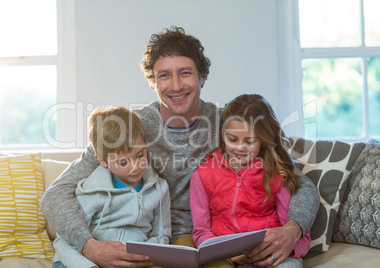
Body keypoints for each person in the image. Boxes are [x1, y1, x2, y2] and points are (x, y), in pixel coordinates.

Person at [40, 26, 319, 268]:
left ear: (202, 78)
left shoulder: (231, 125)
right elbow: (55, 195)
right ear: (153, 82)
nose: (175, 85)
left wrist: (293, 229)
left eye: (185, 73)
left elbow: (299, 183)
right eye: (164, 76)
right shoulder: (129, 129)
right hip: (149, 241)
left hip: (217, 239)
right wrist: (89, 246)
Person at [190, 94, 311, 268]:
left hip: (272, 255)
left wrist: (282, 251)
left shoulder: (276, 172)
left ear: (263, 140)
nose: (240, 147)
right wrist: (230, 256)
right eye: (232, 139)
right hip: (229, 256)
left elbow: (292, 232)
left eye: (250, 141)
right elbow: (201, 231)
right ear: (222, 135)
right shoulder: (202, 175)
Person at [52, 106, 171, 268]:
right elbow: (63, 241)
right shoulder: (91, 191)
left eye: (140, 155)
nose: (135, 167)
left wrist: (143, 256)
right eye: (123, 162)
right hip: (79, 261)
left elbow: (161, 235)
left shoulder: (159, 189)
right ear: (102, 161)